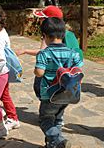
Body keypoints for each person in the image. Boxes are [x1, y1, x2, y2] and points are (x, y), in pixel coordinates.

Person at [34, 17, 83, 148]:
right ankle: (53, 144)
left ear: (44, 36)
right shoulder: (72, 53)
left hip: (50, 94)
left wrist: (36, 70)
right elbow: (79, 68)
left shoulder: (44, 54)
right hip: (67, 93)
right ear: (63, 34)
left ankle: (58, 139)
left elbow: (39, 73)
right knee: (57, 119)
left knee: (45, 120)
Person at [16, 5, 83, 61]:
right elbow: (42, 51)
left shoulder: (67, 35)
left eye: (42, 18)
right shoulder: (48, 33)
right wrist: (25, 51)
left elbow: (42, 52)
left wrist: (25, 51)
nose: (39, 20)